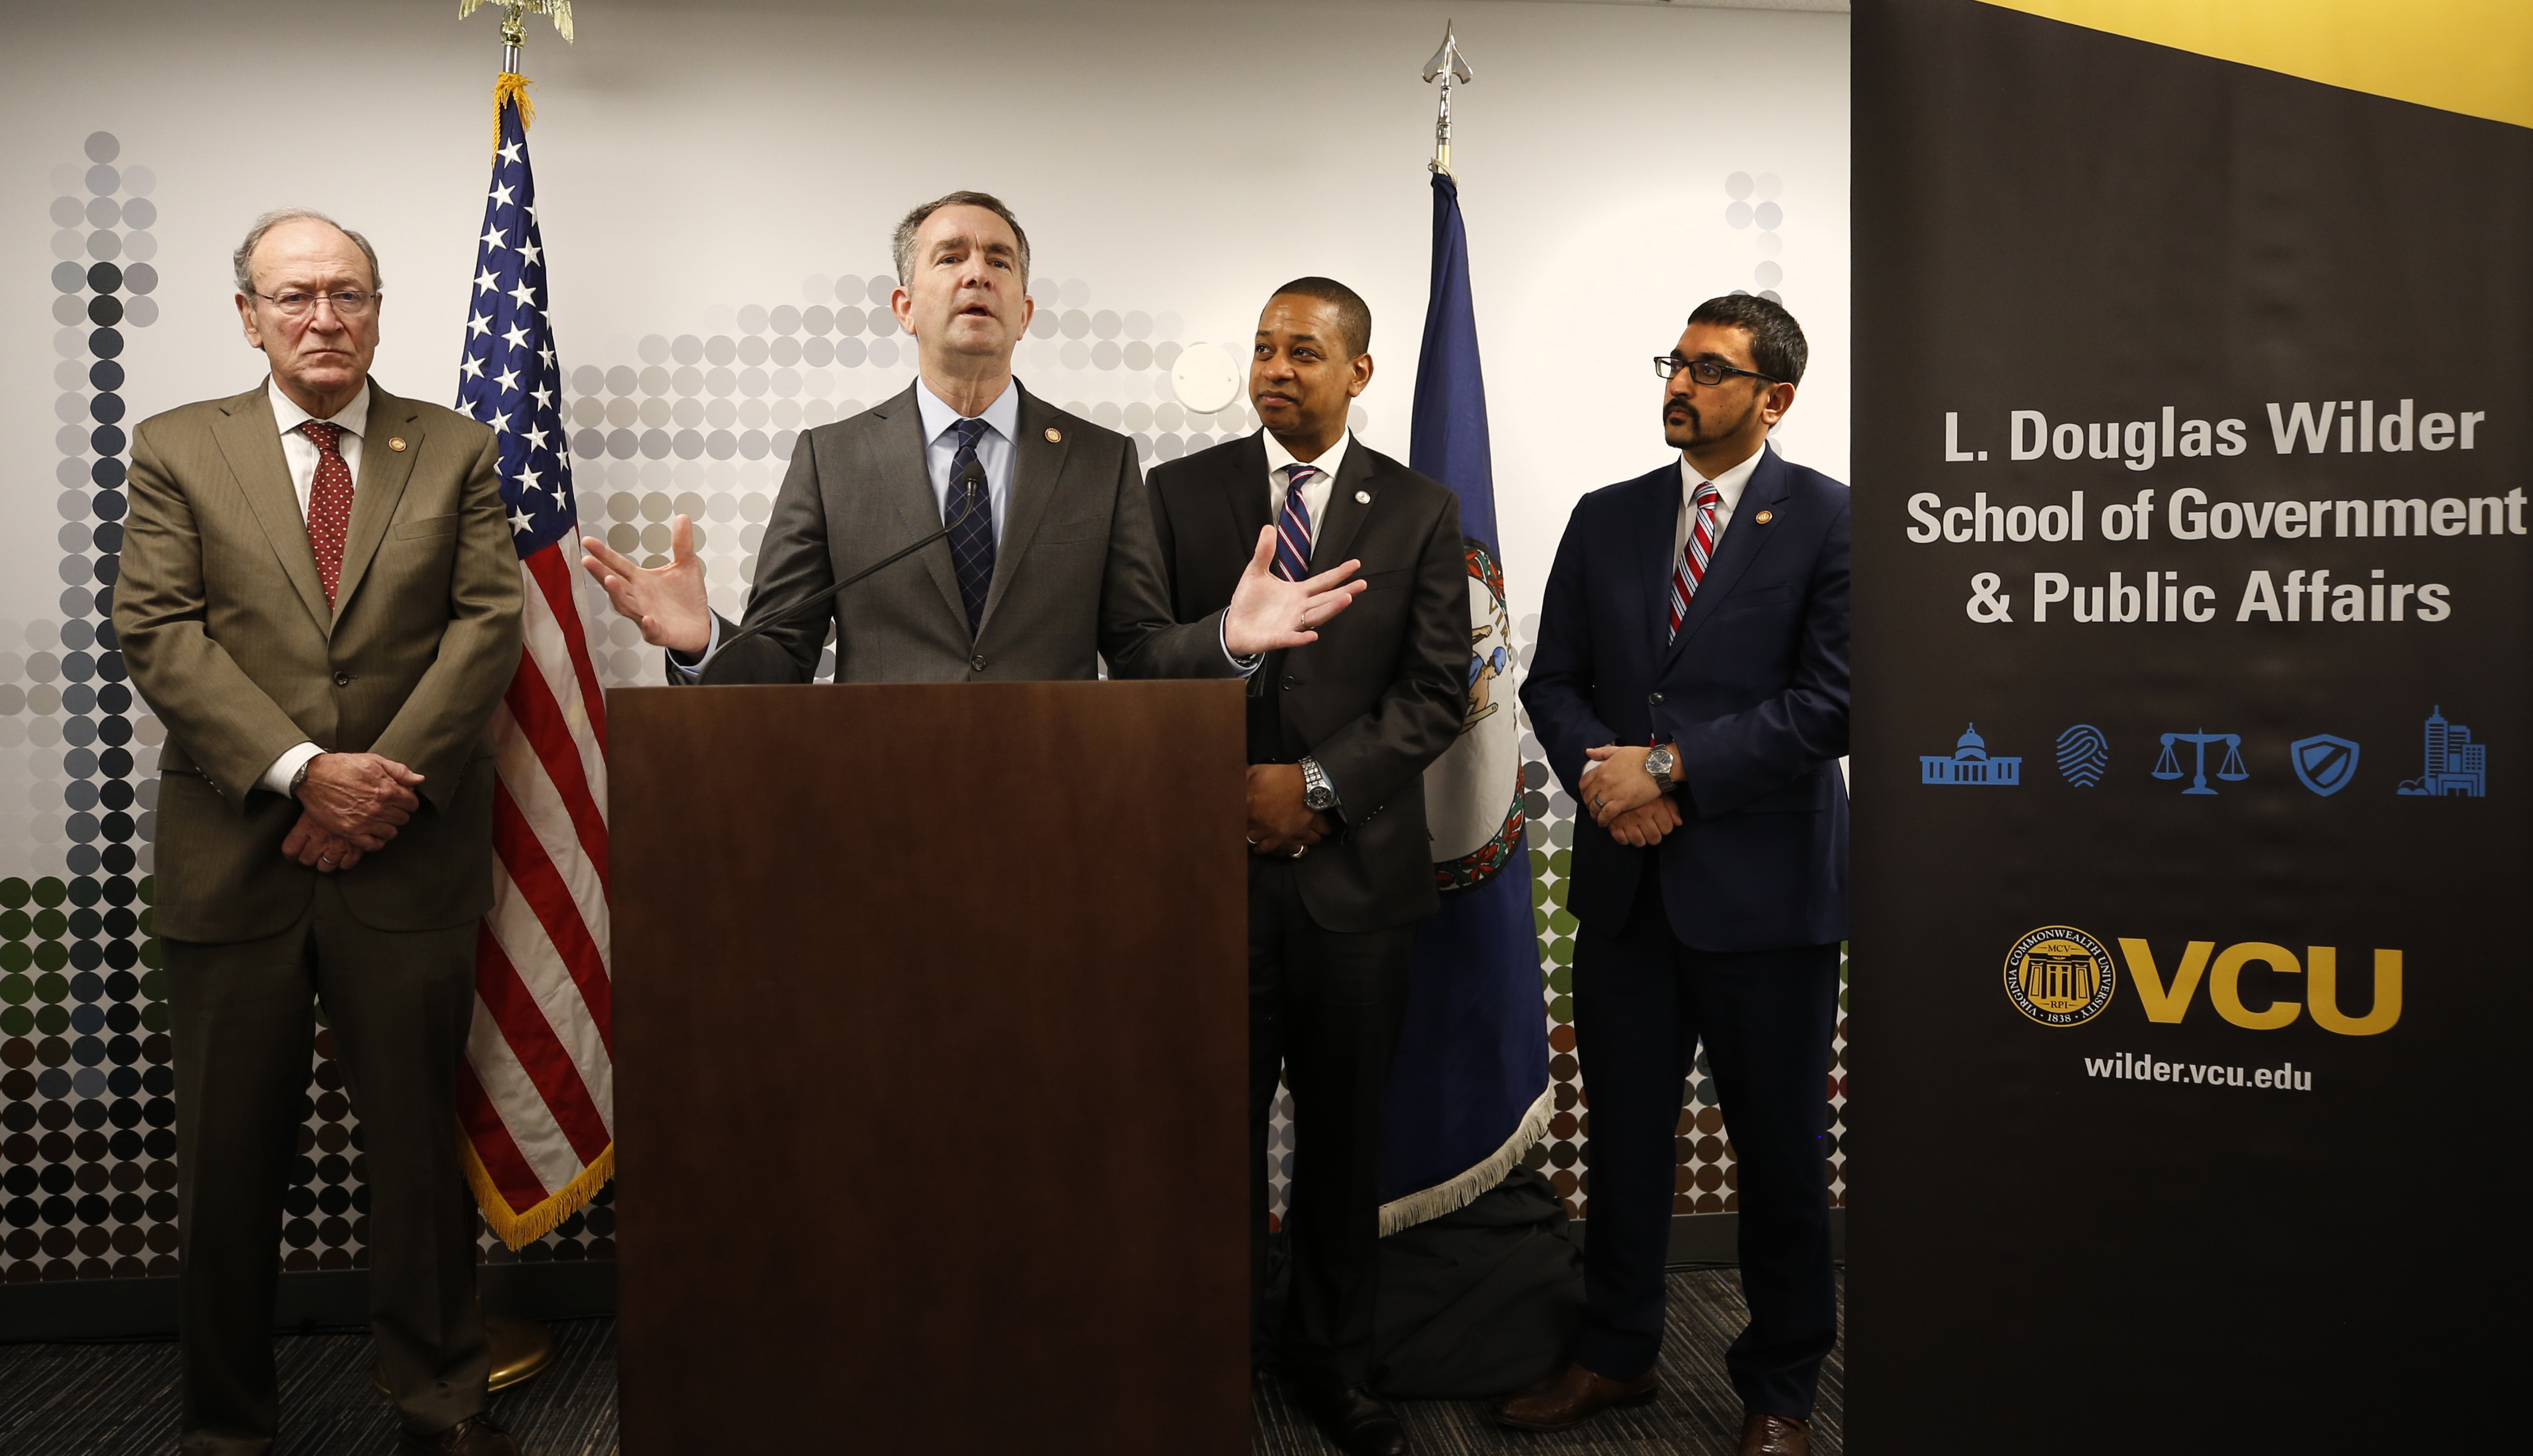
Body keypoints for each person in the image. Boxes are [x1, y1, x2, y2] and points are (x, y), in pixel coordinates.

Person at [116, 209, 528, 1456]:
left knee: (414, 1151)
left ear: (379, 309)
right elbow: (160, 630)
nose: (324, 317)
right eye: (293, 296)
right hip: (233, 856)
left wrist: (373, 788)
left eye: (347, 293)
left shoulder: (453, 448)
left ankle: (441, 1402)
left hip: (405, 852)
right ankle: (228, 1425)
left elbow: (484, 627)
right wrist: (302, 774)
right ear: (248, 315)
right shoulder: (178, 447)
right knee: (228, 1166)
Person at [1505, 294, 1849, 1456]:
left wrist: (1670, 771)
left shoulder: (1830, 522)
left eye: (1709, 369)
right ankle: (1615, 1351)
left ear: (1773, 397)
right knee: (1626, 1139)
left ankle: (1782, 1385)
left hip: (1764, 900)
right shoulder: (1605, 519)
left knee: (1779, 1151)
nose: (1680, 384)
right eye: (1676, 361)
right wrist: (1609, 784)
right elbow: (1550, 681)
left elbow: (1833, 703)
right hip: (1627, 892)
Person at [578, 191, 1362, 681]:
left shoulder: (1101, 460)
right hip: (879, 803)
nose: (976, 273)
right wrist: (701, 640)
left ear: (1023, 311)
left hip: (1057, 801)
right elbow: (782, 651)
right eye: (949, 257)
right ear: (904, 305)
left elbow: (1138, 651)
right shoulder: (833, 458)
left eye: (999, 260)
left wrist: (1227, 637)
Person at [1147, 279, 1467, 1456]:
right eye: (1262, 347)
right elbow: (1138, 660)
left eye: (1303, 350)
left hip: (1356, 886)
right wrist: (1229, 755)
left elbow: (1437, 690)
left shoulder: (1421, 511)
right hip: (1203, 876)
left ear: (1358, 374)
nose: (1275, 366)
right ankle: (1208, 1358)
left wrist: (1313, 784)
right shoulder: (1176, 496)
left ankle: (1336, 1366)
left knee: (1341, 1141)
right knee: (1205, 1133)